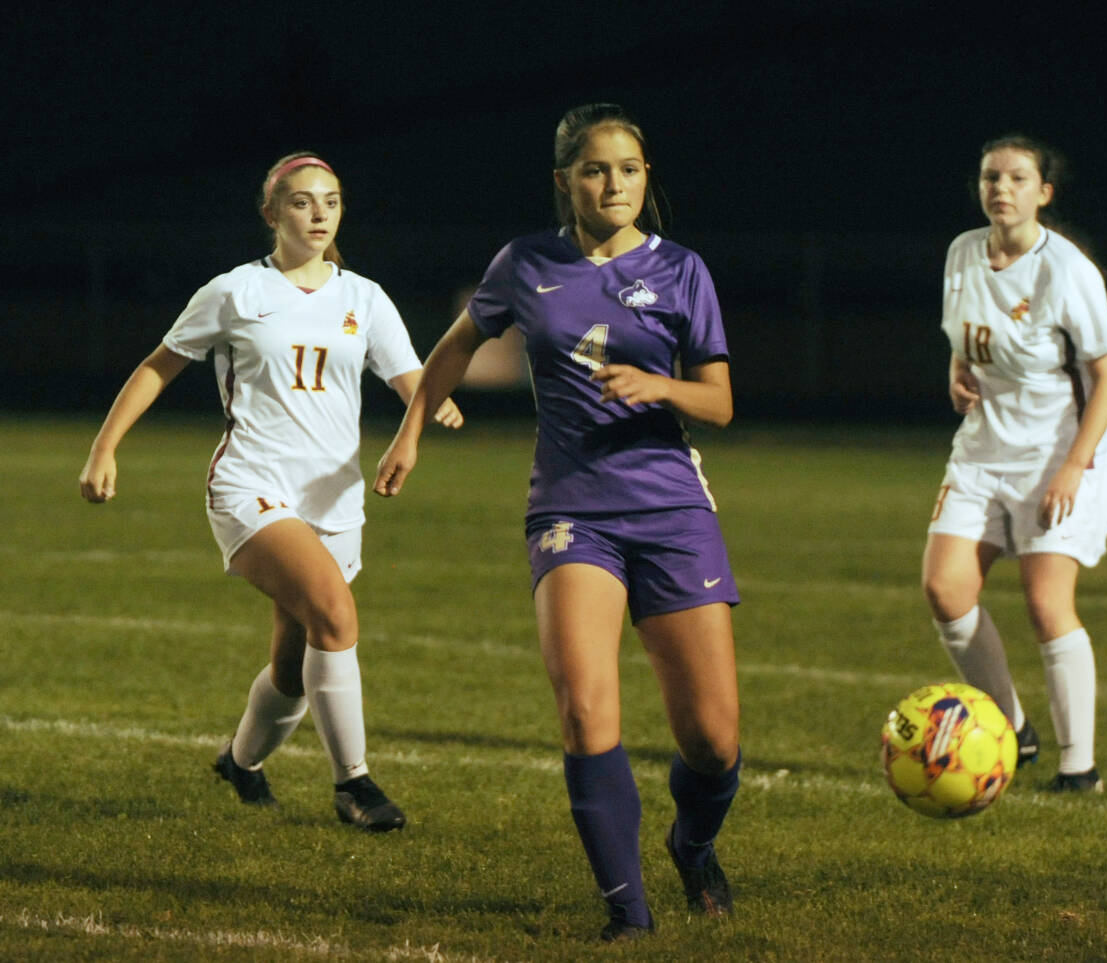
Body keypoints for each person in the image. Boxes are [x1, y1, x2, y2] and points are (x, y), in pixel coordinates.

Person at [374, 104, 742, 941]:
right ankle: (629, 914)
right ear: (564, 181)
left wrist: (662, 388)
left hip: (672, 507)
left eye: (630, 169)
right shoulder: (525, 264)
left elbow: (719, 400)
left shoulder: (683, 270)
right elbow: (455, 347)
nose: (614, 184)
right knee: (584, 708)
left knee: (714, 741)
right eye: (596, 169)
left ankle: (694, 843)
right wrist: (410, 434)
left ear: (648, 179)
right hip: (571, 508)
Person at [78, 151, 462, 830]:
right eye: (302, 201)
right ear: (272, 213)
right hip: (251, 485)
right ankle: (355, 785)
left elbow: (412, 378)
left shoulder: (363, 298)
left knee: (295, 659)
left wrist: (425, 415)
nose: (319, 214)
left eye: (331, 201)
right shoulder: (235, 291)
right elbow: (157, 366)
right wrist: (104, 447)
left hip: (335, 498)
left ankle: (241, 761)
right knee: (337, 616)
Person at [921, 134, 1107, 793]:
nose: (1001, 188)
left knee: (1045, 603)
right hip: (982, 451)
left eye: (1016, 178)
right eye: (990, 177)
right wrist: (957, 373)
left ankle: (1079, 768)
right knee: (946, 589)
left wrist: (1074, 466)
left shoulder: (1065, 269)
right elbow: (965, 338)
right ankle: (1010, 726)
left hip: (1054, 454)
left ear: (1044, 192)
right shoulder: (960, 251)